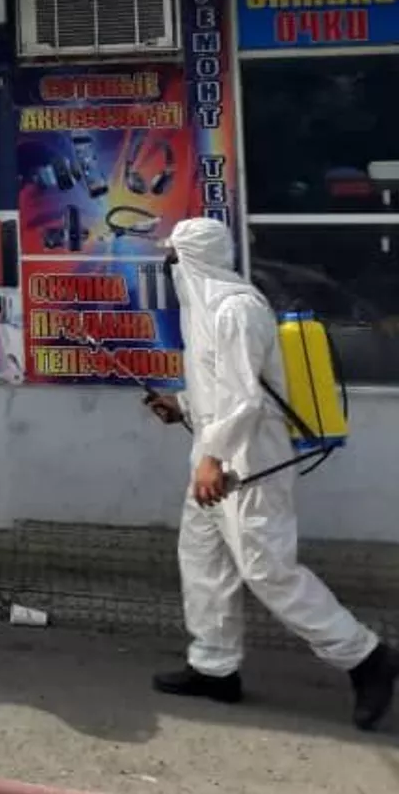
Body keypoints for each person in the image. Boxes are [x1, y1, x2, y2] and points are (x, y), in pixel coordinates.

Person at [145, 218, 393, 730]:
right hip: (213, 455)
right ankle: (214, 667)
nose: (168, 266)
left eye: (173, 257)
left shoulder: (237, 309)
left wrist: (214, 459)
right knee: (203, 558)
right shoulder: (203, 308)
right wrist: (181, 405)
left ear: (193, 259)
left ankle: (366, 657)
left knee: (268, 570)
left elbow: (245, 400)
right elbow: (216, 387)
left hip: (249, 461)